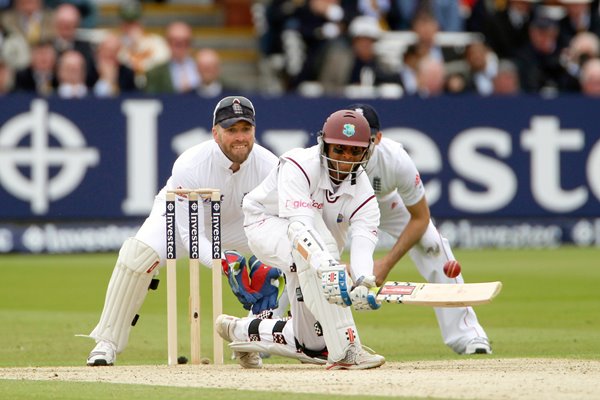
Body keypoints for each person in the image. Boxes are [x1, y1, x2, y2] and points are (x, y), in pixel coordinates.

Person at [85, 96, 281, 366]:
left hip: (239, 227)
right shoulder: (191, 164)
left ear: (254, 131)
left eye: (245, 129)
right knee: (137, 255)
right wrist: (222, 261)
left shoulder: (270, 166)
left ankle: (249, 339)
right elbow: (191, 235)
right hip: (180, 222)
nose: (240, 137)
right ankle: (106, 342)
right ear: (215, 133)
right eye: (231, 130)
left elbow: (281, 221)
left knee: (285, 256)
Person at [216, 109, 386, 370]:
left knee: (312, 344)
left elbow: (363, 243)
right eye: (339, 150)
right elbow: (300, 229)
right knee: (317, 248)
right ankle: (348, 349)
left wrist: (364, 281)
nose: (345, 159)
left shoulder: (364, 193)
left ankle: (239, 331)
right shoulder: (298, 165)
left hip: (313, 252)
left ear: (366, 154)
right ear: (324, 145)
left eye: (354, 152)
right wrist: (327, 266)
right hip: (266, 223)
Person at [348, 103, 492, 355]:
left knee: (432, 242)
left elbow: (420, 217)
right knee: (302, 252)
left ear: (378, 138)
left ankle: (468, 335)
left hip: (382, 204)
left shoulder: (395, 160)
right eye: (353, 139)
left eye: (366, 139)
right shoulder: (326, 155)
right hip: (336, 205)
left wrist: (385, 264)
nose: (358, 148)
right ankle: (278, 329)